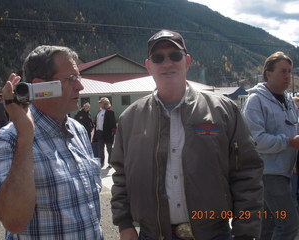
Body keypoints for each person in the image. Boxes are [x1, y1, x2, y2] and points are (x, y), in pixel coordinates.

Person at [111, 29, 263, 240]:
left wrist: (246, 232)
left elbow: (247, 173)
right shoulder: (130, 118)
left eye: (175, 55)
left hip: (214, 234)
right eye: (158, 57)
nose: (167, 63)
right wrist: (125, 225)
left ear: (188, 61)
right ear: (148, 66)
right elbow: (120, 176)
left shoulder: (224, 111)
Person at [0, 45, 103, 239]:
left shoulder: (78, 130)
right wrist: (26, 137)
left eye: (78, 78)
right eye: (71, 79)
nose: (80, 86)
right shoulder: (9, 139)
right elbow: (14, 221)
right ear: (40, 86)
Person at [242, 51, 299, 239]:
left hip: (284, 172)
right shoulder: (255, 100)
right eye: (283, 71)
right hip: (268, 173)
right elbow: (256, 139)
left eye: (289, 71)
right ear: (268, 73)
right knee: (289, 224)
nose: (287, 76)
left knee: (269, 225)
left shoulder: (289, 101)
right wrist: (289, 142)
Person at [95, 97, 116, 168]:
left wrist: (113, 131)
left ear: (104, 103)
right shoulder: (100, 111)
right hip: (100, 133)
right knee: (100, 149)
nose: (99, 103)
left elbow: (113, 123)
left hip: (107, 133)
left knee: (109, 148)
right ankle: (101, 162)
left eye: (100, 102)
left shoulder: (110, 112)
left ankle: (110, 162)